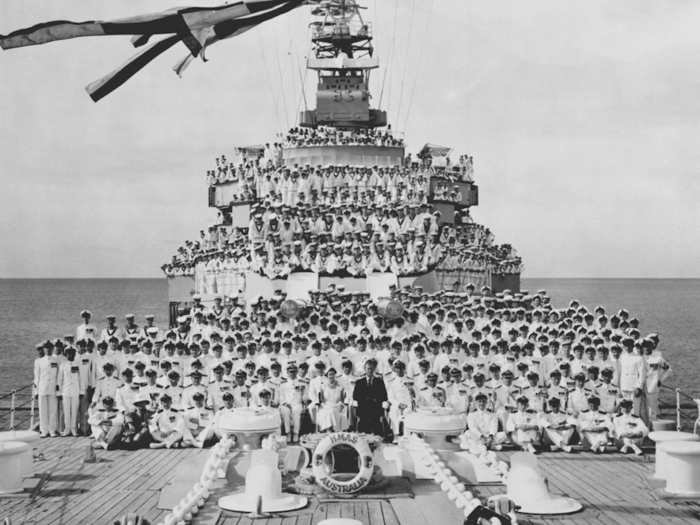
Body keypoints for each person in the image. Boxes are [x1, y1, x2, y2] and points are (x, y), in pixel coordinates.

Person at [352, 359, 389, 437]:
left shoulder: (379, 382)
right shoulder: (359, 382)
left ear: (374, 369)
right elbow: (355, 396)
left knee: (375, 419)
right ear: (365, 369)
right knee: (363, 420)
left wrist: (377, 401)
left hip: (376, 406)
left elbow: (384, 395)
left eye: (371, 369)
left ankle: (377, 437)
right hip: (363, 406)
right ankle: (363, 436)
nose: (369, 371)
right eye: (368, 369)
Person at [57, 346, 83, 437]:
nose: (70, 355)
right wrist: (59, 392)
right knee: (66, 411)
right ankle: (66, 429)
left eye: (72, 353)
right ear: (66, 354)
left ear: (75, 354)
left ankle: (73, 429)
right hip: (66, 391)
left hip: (75, 391)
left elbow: (81, 379)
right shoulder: (63, 365)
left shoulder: (78, 364)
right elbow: (59, 380)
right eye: (68, 353)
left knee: (74, 411)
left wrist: (81, 391)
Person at [35, 342, 59, 437]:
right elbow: (37, 377)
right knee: (42, 410)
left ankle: (52, 430)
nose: (48, 350)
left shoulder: (56, 360)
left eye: (50, 348)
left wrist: (58, 387)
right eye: (46, 348)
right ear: (44, 349)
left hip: (53, 388)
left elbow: (58, 375)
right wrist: (36, 391)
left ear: (52, 348)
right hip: (42, 388)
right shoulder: (39, 361)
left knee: (53, 410)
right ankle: (44, 430)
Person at [316, 368, 348, 432]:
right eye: (329, 374)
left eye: (333, 374)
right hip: (326, 407)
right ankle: (329, 430)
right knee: (329, 412)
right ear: (327, 375)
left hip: (337, 406)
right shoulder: (323, 386)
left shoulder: (340, 385)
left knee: (332, 411)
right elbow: (322, 400)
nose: (331, 376)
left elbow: (342, 399)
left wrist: (339, 405)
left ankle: (335, 431)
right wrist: (325, 406)